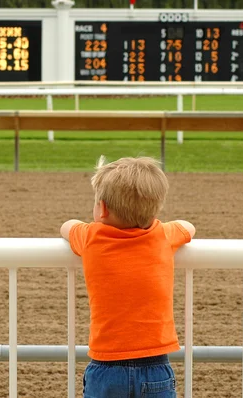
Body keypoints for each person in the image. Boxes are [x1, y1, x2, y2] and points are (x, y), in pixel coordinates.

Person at [60, 156, 195, 398]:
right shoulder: (162, 235)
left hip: (106, 368)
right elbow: (188, 227)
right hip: (155, 367)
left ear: (102, 209)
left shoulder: (91, 237)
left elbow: (67, 226)